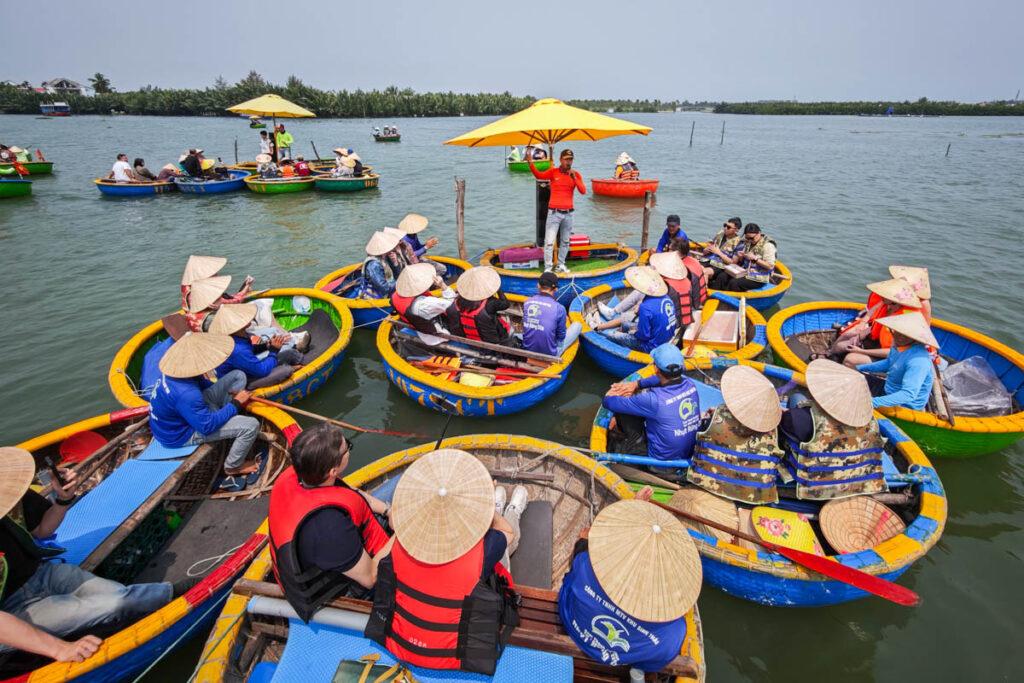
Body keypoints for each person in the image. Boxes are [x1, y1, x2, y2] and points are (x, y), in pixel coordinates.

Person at [0, 448, 175, 663]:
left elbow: (42, 529)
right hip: (11, 610)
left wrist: (63, 499)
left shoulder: (8, 489)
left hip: (42, 574)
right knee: (115, 604)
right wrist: (60, 649)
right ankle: (182, 593)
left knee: (118, 594)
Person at [364, 449, 521, 674]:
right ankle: (504, 508)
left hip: (400, 643)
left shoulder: (400, 543)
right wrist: (487, 510)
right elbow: (507, 533)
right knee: (504, 545)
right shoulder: (480, 552)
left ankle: (499, 505)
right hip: (451, 658)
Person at [559, 499, 700, 674]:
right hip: (621, 663)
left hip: (572, 626)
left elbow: (568, 585)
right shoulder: (672, 633)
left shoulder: (586, 565)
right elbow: (650, 665)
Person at [268, 425, 392, 622]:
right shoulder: (327, 529)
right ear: (333, 470)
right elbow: (370, 577)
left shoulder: (297, 475)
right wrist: (403, 531)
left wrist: (388, 511)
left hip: (334, 552)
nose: (349, 450)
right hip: (343, 588)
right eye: (347, 448)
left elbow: (346, 491)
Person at [148, 332, 261, 489]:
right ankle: (233, 466)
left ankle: (227, 419)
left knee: (238, 376)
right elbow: (206, 426)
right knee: (251, 425)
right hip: (181, 434)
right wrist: (235, 403)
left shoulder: (173, 372)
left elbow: (204, 385)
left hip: (187, 415)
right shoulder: (187, 394)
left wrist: (226, 394)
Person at [780, 359, 885, 500]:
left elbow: (785, 424)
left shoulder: (799, 418)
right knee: (797, 400)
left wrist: (783, 414)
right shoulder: (871, 422)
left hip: (815, 483)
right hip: (857, 482)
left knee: (796, 399)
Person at [687, 364, 785, 504]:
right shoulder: (776, 428)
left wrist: (708, 418)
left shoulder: (716, 414)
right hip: (757, 494)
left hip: (708, 484)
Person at [602, 343, 702, 462]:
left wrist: (615, 390)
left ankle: (632, 446)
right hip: (688, 454)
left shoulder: (653, 400)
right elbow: (660, 379)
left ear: (656, 368)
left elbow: (608, 402)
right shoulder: (691, 385)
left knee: (625, 411)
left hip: (661, 464)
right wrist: (637, 384)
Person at [856, 312, 938, 411]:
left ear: (915, 337)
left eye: (904, 334)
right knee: (853, 379)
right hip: (889, 389)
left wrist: (872, 402)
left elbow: (908, 394)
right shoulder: (898, 345)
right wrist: (859, 368)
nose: (897, 336)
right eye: (896, 331)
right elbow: (889, 363)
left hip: (905, 405)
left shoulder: (919, 361)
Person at [208, 303, 304, 385]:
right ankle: (290, 366)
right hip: (242, 381)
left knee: (289, 352)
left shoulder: (239, 336)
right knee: (285, 371)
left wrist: (268, 345)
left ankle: (299, 358)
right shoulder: (237, 349)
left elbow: (251, 349)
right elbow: (261, 370)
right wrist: (273, 351)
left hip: (248, 367)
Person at [837, 278, 921, 368]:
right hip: (877, 342)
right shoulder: (886, 303)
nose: (881, 295)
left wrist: (861, 351)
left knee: (850, 359)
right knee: (842, 342)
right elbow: (873, 310)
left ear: (894, 300)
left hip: (894, 358)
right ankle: (832, 356)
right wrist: (862, 323)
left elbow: (892, 352)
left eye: (885, 294)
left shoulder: (904, 320)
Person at [594, 266, 677, 352]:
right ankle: (599, 326)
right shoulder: (667, 298)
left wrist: (633, 332)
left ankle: (598, 329)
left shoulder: (646, 307)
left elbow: (644, 336)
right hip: (665, 338)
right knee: (625, 323)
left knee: (615, 335)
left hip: (651, 345)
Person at [530, 149, 587, 273]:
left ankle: (561, 264)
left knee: (565, 242)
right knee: (549, 242)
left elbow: (583, 191)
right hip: (554, 213)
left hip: (569, 214)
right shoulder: (553, 172)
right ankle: (548, 268)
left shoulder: (576, 174)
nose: (568, 162)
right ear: (561, 160)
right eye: (566, 159)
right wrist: (530, 163)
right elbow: (539, 176)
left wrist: (574, 178)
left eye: (570, 159)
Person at [390, 262, 456, 346]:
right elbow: (452, 306)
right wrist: (442, 285)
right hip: (437, 337)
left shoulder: (395, 296)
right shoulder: (426, 303)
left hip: (419, 329)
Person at [444, 266, 513, 345]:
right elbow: (506, 304)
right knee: (506, 322)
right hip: (492, 342)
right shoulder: (490, 303)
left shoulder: (455, 303)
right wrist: (498, 288)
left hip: (467, 340)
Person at [521, 272, 582, 356]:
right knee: (577, 325)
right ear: (556, 289)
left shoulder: (527, 302)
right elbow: (561, 337)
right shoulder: (559, 308)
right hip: (550, 353)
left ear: (538, 285)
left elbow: (524, 327)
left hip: (527, 348)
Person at [708, 223, 777, 292]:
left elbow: (770, 266)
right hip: (744, 271)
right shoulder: (748, 242)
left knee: (734, 283)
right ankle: (713, 294)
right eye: (747, 238)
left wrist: (755, 259)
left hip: (758, 277)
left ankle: (730, 298)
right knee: (722, 276)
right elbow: (744, 259)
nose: (750, 240)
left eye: (752, 238)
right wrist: (741, 256)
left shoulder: (768, 246)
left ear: (759, 233)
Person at [361, 230, 405, 298]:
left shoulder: (386, 257)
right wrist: (400, 284)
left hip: (391, 287)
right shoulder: (374, 265)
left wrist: (395, 263)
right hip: (379, 295)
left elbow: (397, 275)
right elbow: (384, 288)